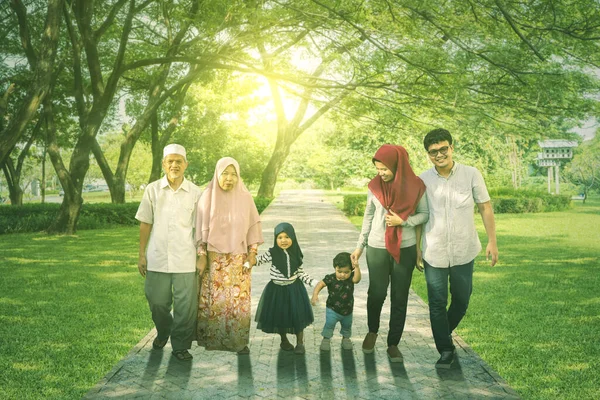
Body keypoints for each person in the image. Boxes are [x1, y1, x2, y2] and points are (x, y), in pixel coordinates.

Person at [419, 128, 499, 369]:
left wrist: (492, 241)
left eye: (443, 149)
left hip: (464, 249)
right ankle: (445, 349)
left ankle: (441, 333)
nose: (439, 155)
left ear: (452, 148)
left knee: (462, 300)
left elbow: (485, 207)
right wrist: (416, 251)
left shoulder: (471, 174)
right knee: (436, 301)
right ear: (428, 155)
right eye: (434, 152)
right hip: (434, 250)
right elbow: (421, 216)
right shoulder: (422, 180)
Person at [350, 144, 428, 363]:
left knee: (400, 297)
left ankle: (393, 343)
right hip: (376, 246)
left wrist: (404, 221)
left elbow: (425, 214)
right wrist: (359, 246)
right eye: (378, 169)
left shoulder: (416, 186)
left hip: (405, 248)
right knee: (376, 293)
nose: (381, 173)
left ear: (397, 165)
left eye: (385, 169)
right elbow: (368, 216)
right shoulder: (374, 187)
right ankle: (372, 330)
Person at [135, 144, 202, 361]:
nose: (174, 165)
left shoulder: (195, 192)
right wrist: (141, 254)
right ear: (164, 164)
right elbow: (145, 222)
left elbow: (201, 228)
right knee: (157, 302)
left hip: (186, 258)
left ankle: (180, 346)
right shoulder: (152, 190)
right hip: (157, 257)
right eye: (170, 161)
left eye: (178, 161)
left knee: (186, 306)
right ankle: (164, 330)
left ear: (186, 164)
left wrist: (203, 256)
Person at [195, 157, 264, 354]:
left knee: (238, 299)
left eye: (234, 174)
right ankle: (214, 340)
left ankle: (238, 342)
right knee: (215, 299)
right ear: (217, 174)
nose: (229, 178)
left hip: (239, 257)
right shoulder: (207, 197)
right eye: (225, 173)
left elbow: (253, 226)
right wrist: (201, 254)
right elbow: (199, 230)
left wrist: (253, 253)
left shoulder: (245, 197)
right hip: (213, 257)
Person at [253, 222, 317, 355]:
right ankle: (284, 340)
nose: (283, 240)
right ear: (275, 239)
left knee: (298, 315)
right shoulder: (272, 253)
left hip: (294, 290)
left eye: (287, 237)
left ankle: (300, 343)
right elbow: (258, 261)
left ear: (293, 238)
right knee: (280, 316)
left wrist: (313, 282)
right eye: (280, 237)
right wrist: (247, 260)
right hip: (277, 291)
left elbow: (300, 273)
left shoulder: (296, 254)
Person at [311, 252, 361, 351]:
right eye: (339, 271)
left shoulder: (351, 278)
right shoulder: (331, 278)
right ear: (335, 268)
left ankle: (346, 339)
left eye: (346, 272)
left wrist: (357, 267)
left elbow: (357, 280)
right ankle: (326, 339)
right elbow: (320, 284)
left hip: (347, 310)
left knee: (347, 326)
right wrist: (315, 294)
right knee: (329, 324)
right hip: (332, 309)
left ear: (351, 270)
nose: (343, 274)